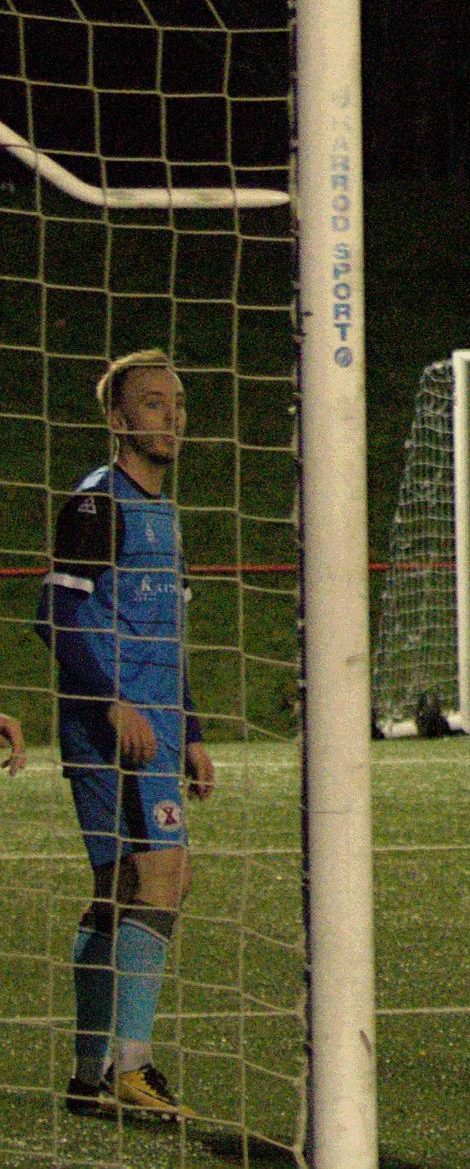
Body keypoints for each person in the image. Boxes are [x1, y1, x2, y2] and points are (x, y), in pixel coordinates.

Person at [35, 349, 211, 1119]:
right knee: (163, 878)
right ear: (116, 418)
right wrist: (113, 704)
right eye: (151, 403)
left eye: (176, 402)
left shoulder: (163, 513)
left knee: (120, 890)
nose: (170, 416)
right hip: (118, 730)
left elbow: (163, 632)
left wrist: (192, 728)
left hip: (154, 727)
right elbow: (54, 614)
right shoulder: (97, 504)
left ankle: (90, 1071)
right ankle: (132, 1069)